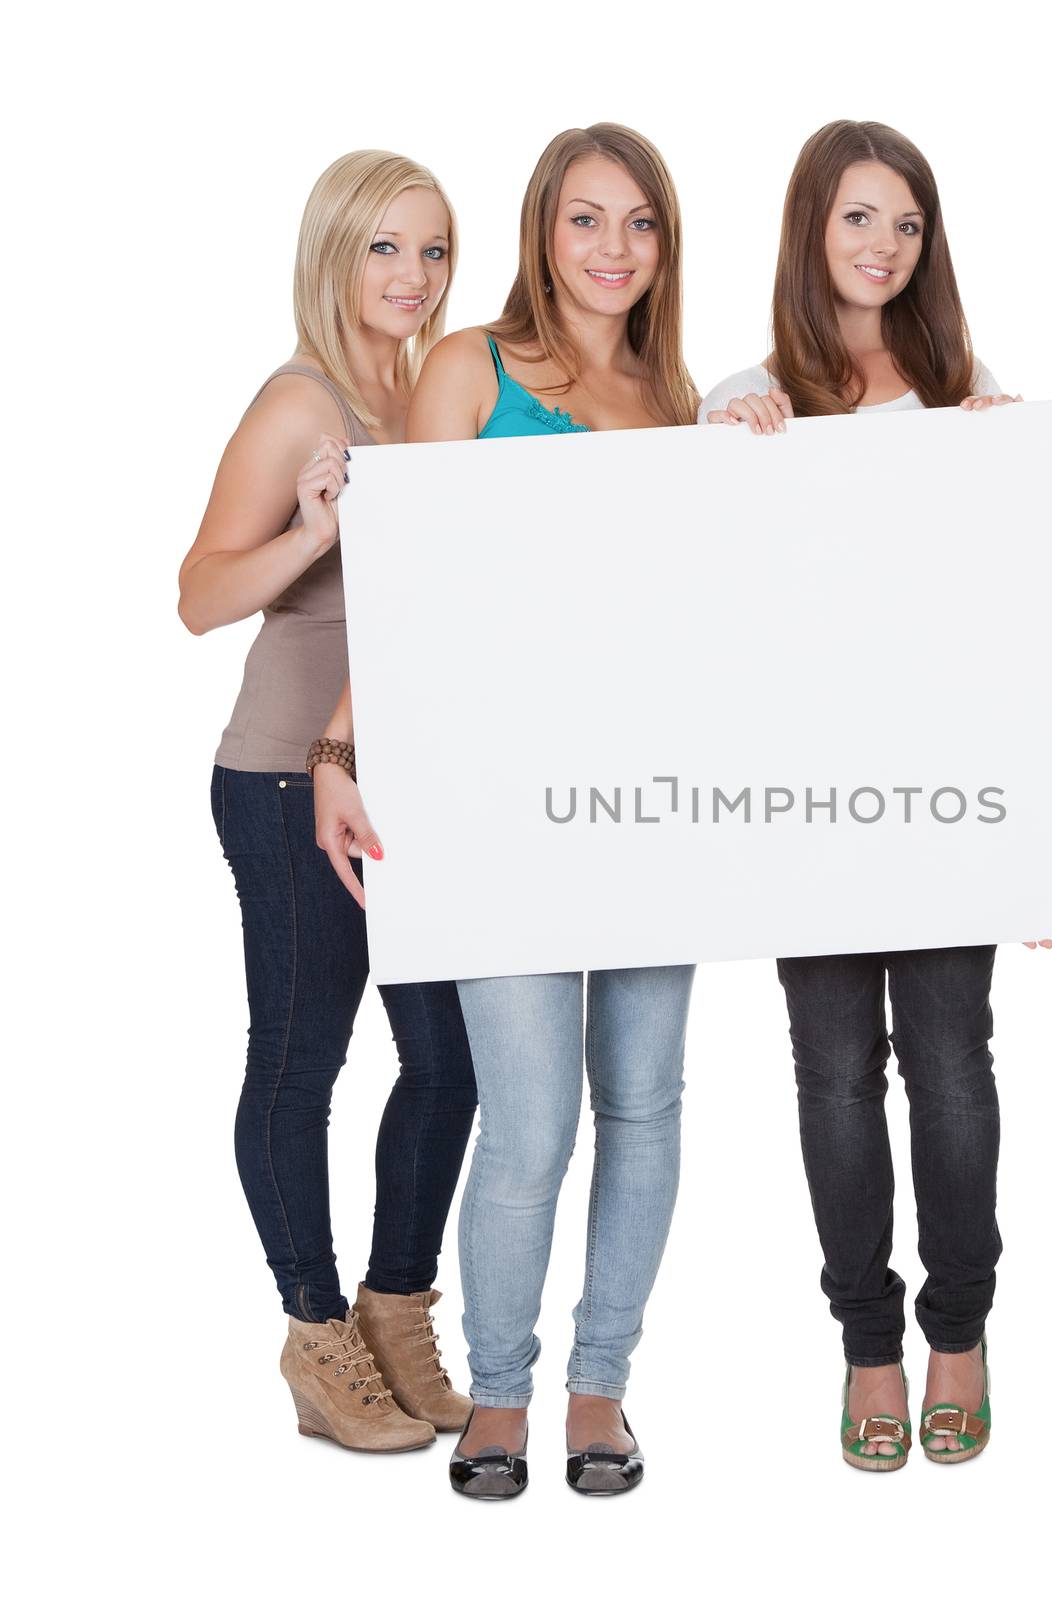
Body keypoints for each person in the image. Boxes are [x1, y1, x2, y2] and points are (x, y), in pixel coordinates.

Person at [312, 124, 699, 1498]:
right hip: (496, 800)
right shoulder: (470, 368)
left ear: (664, 245)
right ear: (542, 231)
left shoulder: (677, 394)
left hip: (658, 800)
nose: (612, 250)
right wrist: (339, 743)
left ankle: (603, 1387)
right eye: (585, 220)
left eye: (639, 224)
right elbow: (405, 583)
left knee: (642, 1102)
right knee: (531, 1120)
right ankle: (503, 1391)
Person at [700, 120, 1020, 1472]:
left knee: (949, 1066)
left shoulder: (966, 391)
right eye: (857, 220)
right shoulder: (747, 392)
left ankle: (960, 1330)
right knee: (834, 1073)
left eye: (906, 224)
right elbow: (693, 601)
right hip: (802, 799)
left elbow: (1021, 608)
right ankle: (868, 1346)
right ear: (808, 231)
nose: (883, 247)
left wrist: (1018, 468)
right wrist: (714, 443)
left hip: (943, 787)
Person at [179, 151, 476, 1453]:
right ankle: (317, 1340)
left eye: (433, 252)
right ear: (334, 254)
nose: (411, 279)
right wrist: (312, 530)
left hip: (402, 779)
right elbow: (195, 594)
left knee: (451, 1063)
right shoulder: (302, 403)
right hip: (281, 776)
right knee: (302, 1064)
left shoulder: (418, 390)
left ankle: (395, 1306)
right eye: (385, 250)